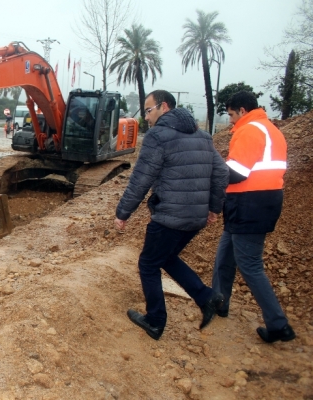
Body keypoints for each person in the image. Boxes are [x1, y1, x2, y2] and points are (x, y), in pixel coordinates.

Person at [114, 90, 229, 340]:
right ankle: (207, 297)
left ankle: (155, 321)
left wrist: (123, 213)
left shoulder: (158, 136)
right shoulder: (203, 136)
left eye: (148, 110)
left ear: (163, 107)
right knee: (165, 257)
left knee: (148, 264)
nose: (146, 117)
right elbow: (221, 174)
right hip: (195, 218)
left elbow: (141, 179)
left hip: (169, 217)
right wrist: (213, 208)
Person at [211, 91, 295, 343]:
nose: (231, 121)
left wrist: (211, 171)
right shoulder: (270, 129)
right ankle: (218, 302)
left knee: (249, 265)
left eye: (232, 114)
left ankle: (279, 325)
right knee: (225, 255)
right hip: (256, 202)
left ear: (243, 111)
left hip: (250, 204)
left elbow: (237, 172)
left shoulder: (249, 130)